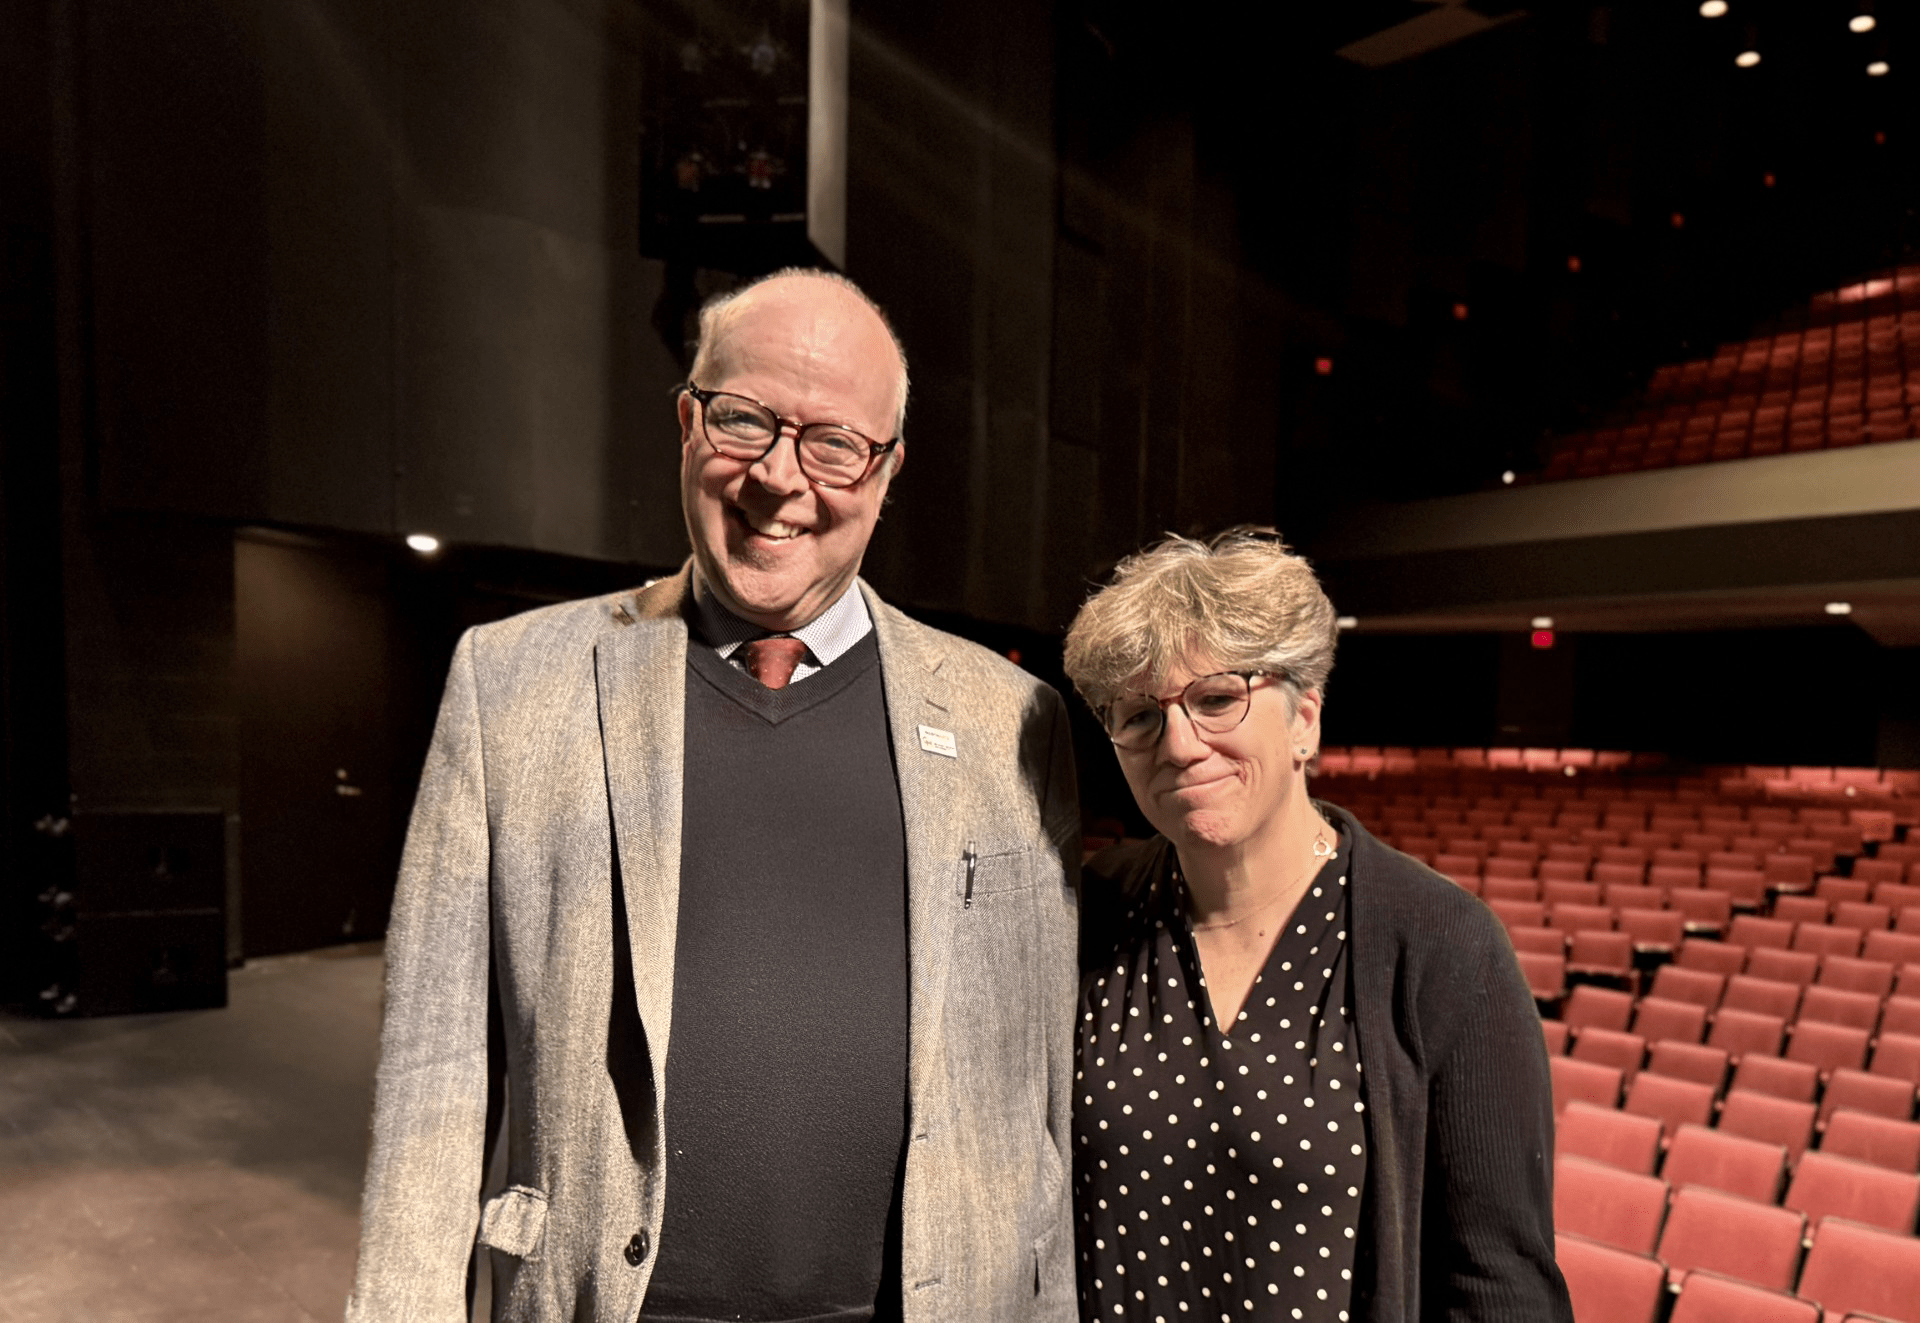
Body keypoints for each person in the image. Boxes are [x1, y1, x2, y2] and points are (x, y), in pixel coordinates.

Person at [348, 269, 1082, 1323]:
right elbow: (433, 1078)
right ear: (689, 420)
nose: (781, 479)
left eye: (834, 442)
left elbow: (1035, 1097)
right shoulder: (510, 685)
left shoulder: (1012, 717)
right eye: (744, 420)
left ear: (886, 472)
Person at [1061, 528, 1568, 1323]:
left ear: (1304, 718)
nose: (1180, 744)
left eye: (1218, 697)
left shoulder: (1444, 946)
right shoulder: (1090, 911)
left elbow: (1499, 1288)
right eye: (1138, 715)